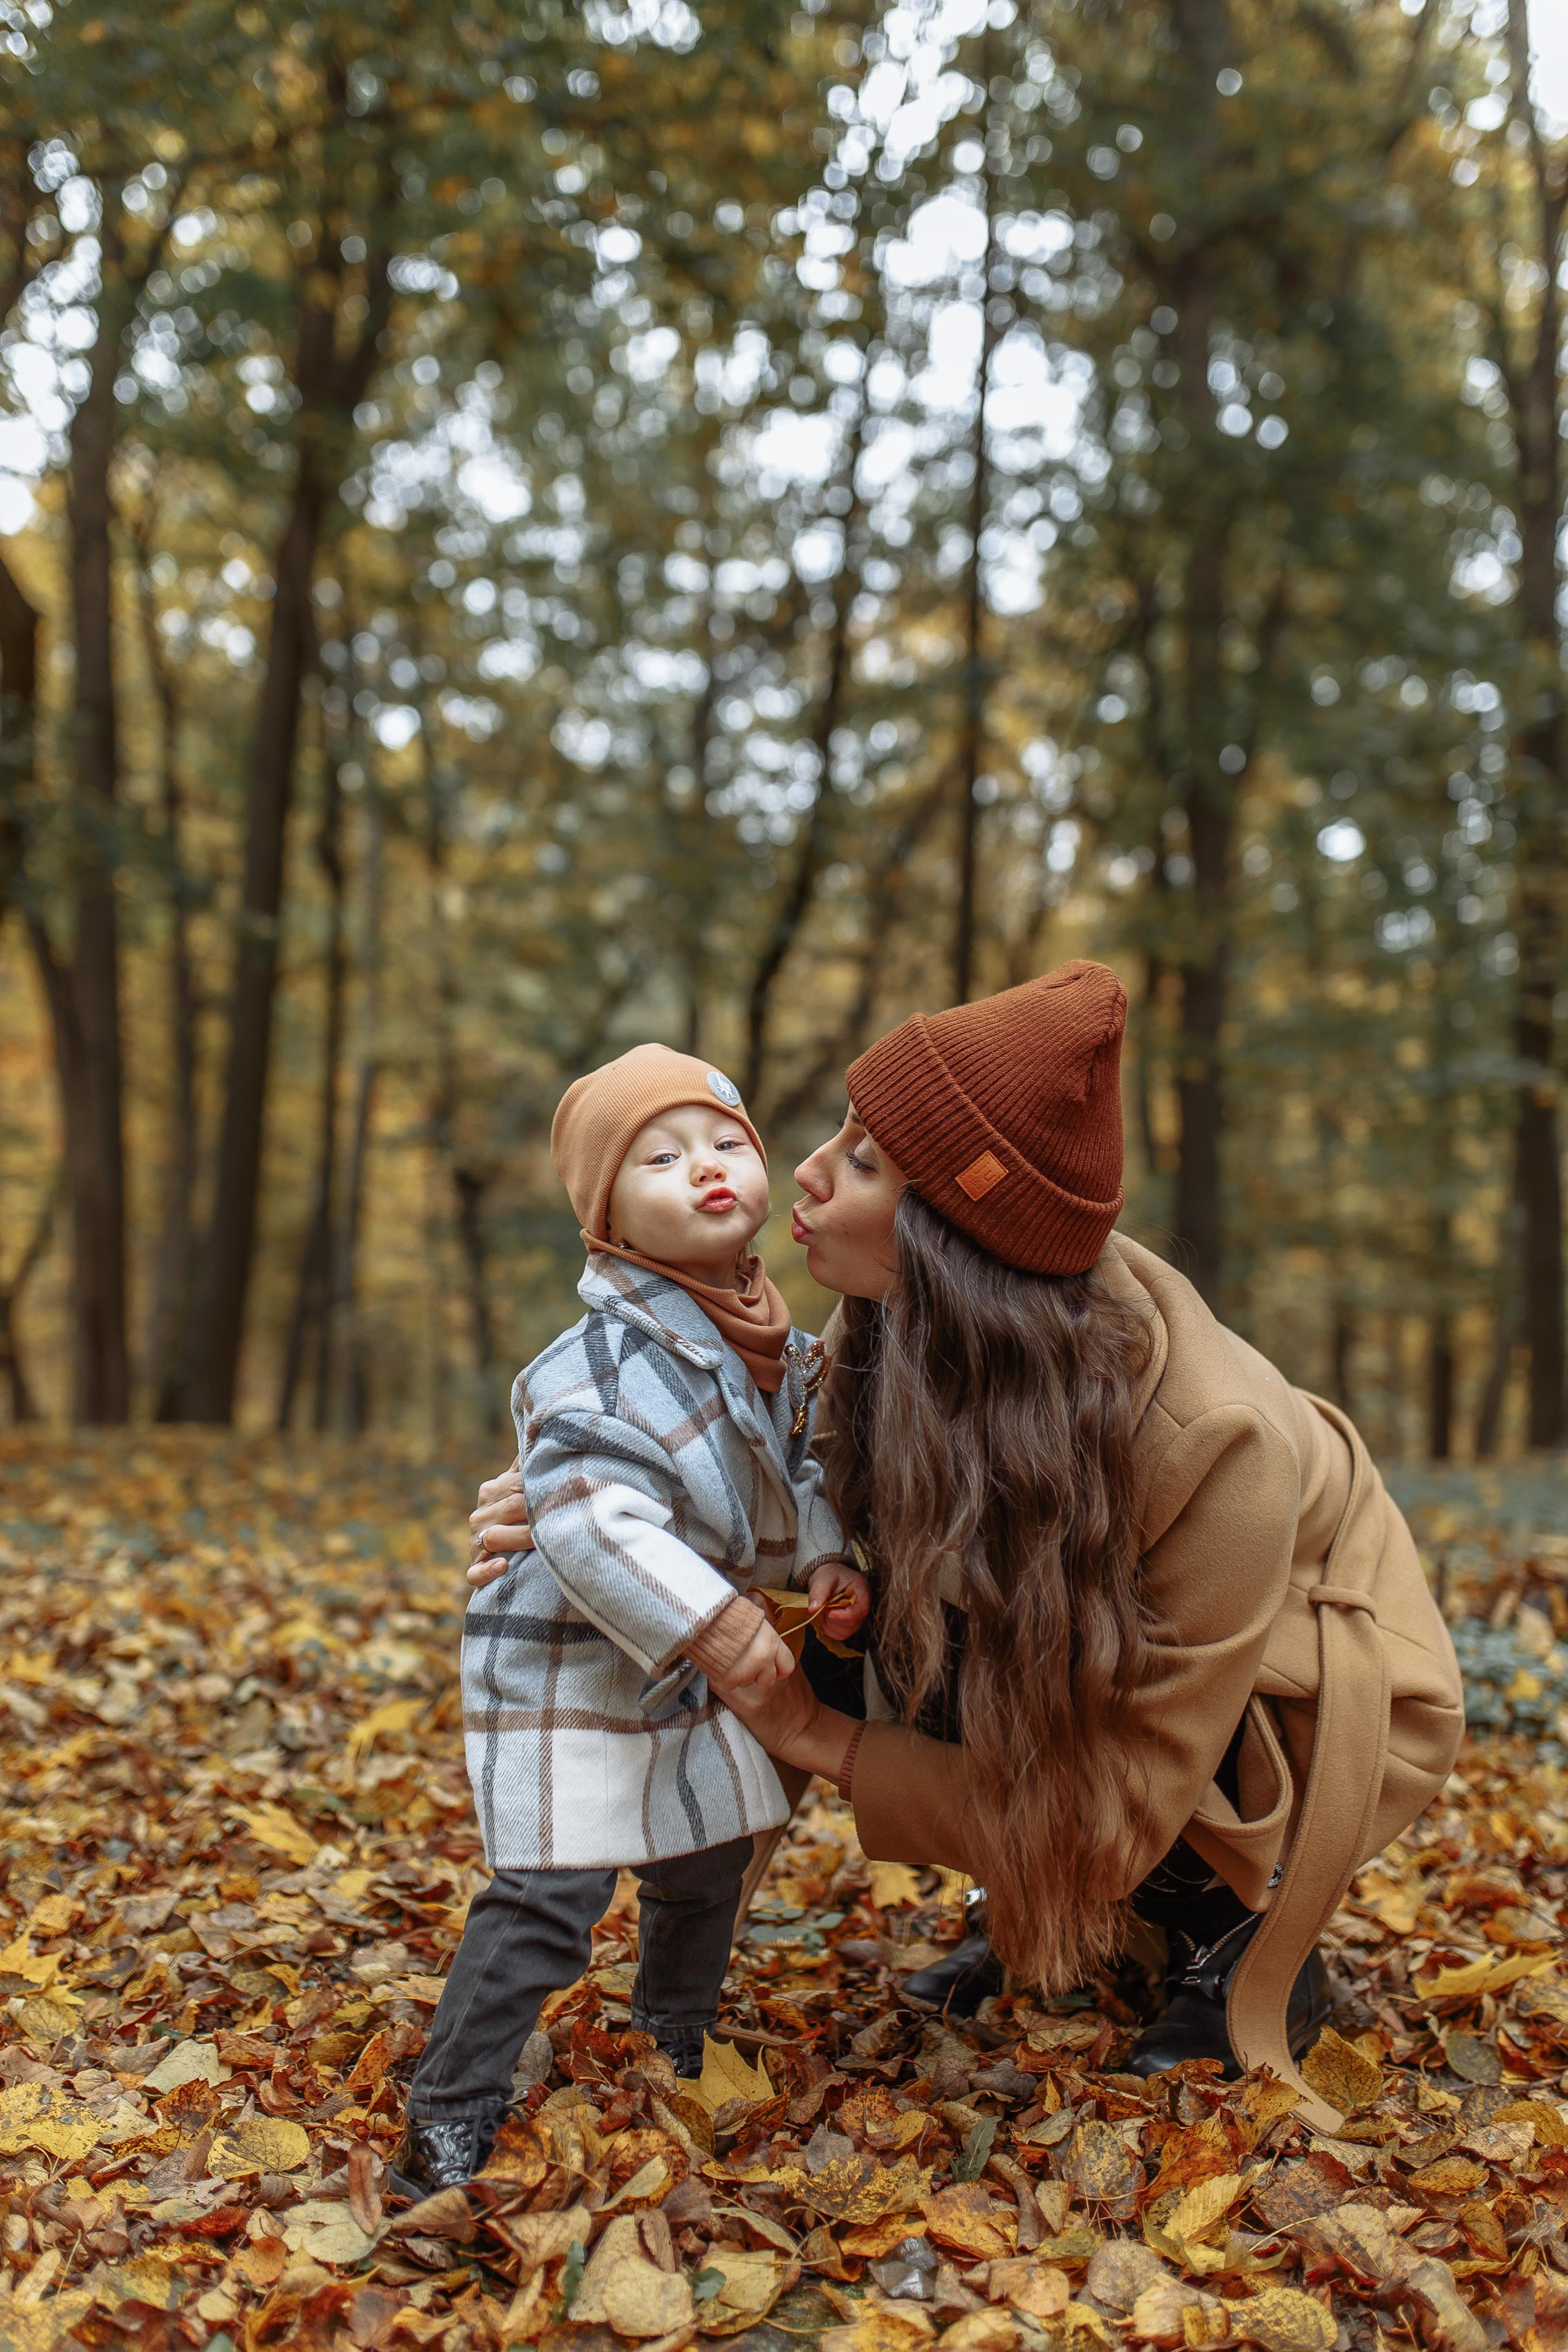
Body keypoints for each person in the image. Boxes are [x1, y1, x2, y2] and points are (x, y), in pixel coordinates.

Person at [469, 966, 1464, 2132]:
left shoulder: (1213, 1442)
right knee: (857, 1602)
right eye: (839, 1134)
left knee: (1143, 1742)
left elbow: (1126, 1796)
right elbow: (773, 1503)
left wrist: (816, 1733)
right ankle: (1032, 1917)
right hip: (1096, 1639)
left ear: (952, 1238)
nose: (805, 1169)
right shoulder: (890, 1321)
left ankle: (1241, 1945)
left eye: (866, 1161)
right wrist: (581, 1498)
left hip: (1299, 1695)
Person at [395, 1044, 868, 2196]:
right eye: (660, 1160)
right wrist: (713, 1619)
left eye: (724, 1143)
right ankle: (450, 2109)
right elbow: (592, 1519)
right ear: (607, 1219)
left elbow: (800, 1471)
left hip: (679, 1649)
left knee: (708, 1857)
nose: (704, 1170)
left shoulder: (780, 1341)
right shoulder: (599, 1358)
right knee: (553, 1894)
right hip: (581, 1650)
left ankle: (673, 2030)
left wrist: (827, 1556)